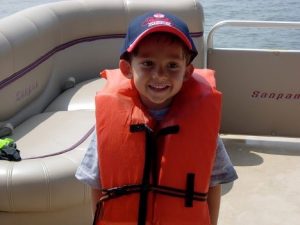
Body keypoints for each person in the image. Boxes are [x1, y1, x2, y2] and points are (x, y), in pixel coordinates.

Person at [76, 11, 237, 225]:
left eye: (172, 65)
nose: (160, 75)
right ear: (127, 69)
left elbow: (213, 183)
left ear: (187, 72)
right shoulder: (108, 125)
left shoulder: (203, 127)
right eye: (148, 63)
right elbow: (97, 184)